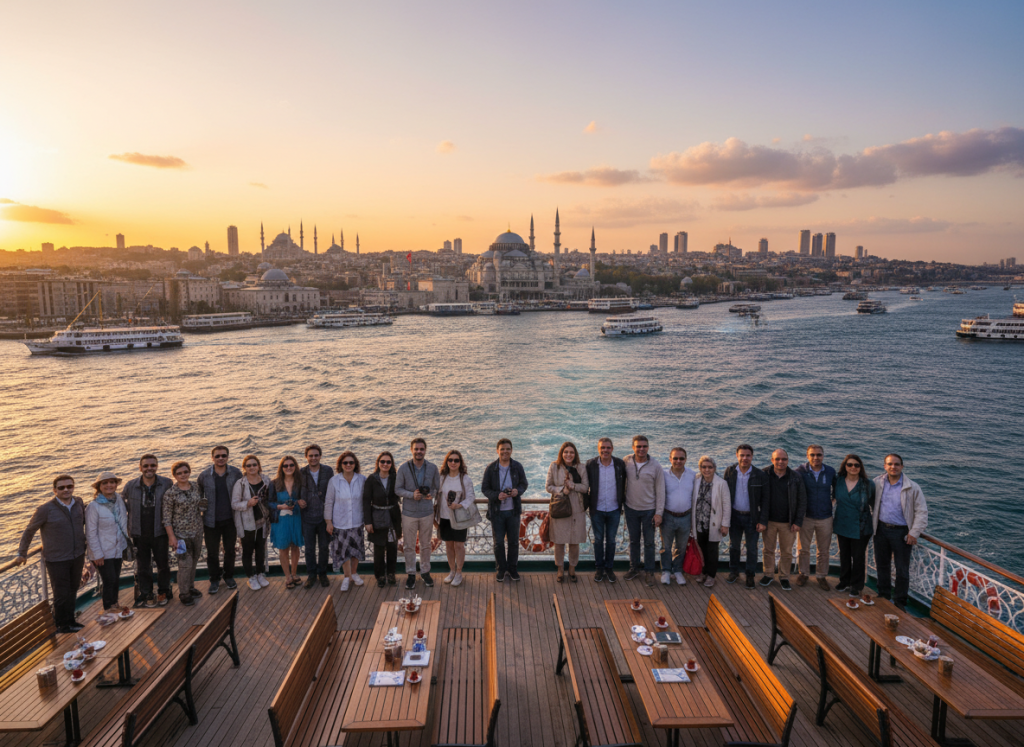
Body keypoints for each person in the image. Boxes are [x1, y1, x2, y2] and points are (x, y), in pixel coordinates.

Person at [15, 475, 88, 632]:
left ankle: (71, 620)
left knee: (73, 588)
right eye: (61, 487)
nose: (66, 490)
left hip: (77, 555)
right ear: (55, 490)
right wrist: (22, 553)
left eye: (69, 486)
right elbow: (30, 530)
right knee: (61, 593)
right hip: (57, 558)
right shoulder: (45, 509)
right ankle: (62, 625)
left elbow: (84, 522)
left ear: (73, 487)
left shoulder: (79, 503)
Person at [872, 453, 928, 611]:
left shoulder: (912, 487)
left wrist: (914, 533)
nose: (893, 467)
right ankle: (883, 595)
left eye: (896, 464)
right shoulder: (877, 483)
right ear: (885, 466)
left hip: (902, 532)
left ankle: (900, 601)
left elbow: (922, 512)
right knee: (882, 565)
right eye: (890, 464)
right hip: (881, 529)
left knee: (902, 568)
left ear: (902, 466)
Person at [121, 454, 173, 607]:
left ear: (156, 466)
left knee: (163, 564)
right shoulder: (130, 486)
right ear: (140, 467)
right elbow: (120, 506)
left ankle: (164, 591)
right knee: (143, 566)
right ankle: (146, 593)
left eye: (152, 465)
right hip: (139, 532)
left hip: (160, 531)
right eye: (146, 466)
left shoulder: (166, 483)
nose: (149, 468)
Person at [759, 449, 807, 591]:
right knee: (768, 550)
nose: (781, 462)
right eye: (778, 459)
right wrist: (760, 519)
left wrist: (798, 521)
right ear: (772, 460)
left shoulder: (796, 477)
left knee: (786, 551)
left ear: (788, 460)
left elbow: (802, 500)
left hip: (788, 522)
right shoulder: (764, 474)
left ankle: (784, 577)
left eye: (784, 459)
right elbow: (757, 497)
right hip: (768, 521)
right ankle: (768, 574)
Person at [395, 438, 440, 590]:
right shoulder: (403, 468)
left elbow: (436, 487)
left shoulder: (433, 468)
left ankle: (425, 572)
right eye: (416, 449)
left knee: (426, 545)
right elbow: (397, 489)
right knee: (408, 546)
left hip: (427, 512)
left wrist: (431, 495)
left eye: (421, 449)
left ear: (425, 450)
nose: (419, 451)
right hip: (408, 513)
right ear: (411, 450)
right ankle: (411, 574)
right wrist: (410, 495)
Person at [481, 438, 529, 583]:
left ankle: (512, 569)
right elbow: (484, 489)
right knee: (499, 543)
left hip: (513, 511)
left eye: (507, 449)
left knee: (514, 542)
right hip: (497, 512)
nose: (505, 451)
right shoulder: (491, 468)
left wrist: (517, 492)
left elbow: (524, 484)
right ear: (497, 451)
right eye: (502, 449)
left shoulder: (517, 467)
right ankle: (501, 569)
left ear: (511, 450)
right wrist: (497, 495)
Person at [197, 445, 242, 594]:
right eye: (217, 456)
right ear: (212, 458)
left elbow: (242, 492)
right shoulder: (204, 476)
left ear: (227, 457)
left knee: (230, 551)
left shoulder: (236, 473)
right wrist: (202, 512)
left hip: (230, 519)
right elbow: (200, 497)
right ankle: (214, 579)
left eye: (223, 455)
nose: (220, 458)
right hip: (211, 521)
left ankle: (229, 576)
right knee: (212, 552)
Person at [723, 444, 768, 590]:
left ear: (752, 457)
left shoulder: (759, 475)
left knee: (752, 548)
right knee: (734, 546)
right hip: (734, 516)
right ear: (737, 456)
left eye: (748, 455)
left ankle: (750, 575)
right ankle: (734, 571)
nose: (745, 458)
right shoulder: (730, 472)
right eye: (742, 455)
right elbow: (724, 495)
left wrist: (762, 521)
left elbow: (765, 500)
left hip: (752, 518)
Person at [163, 462, 208, 606]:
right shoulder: (170, 493)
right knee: (184, 563)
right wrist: (172, 537)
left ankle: (190, 587)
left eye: (185, 472)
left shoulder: (196, 487)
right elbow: (166, 518)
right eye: (179, 473)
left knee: (194, 560)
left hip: (196, 531)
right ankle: (184, 593)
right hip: (180, 535)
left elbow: (201, 505)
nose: (183, 475)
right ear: (174, 475)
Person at [623, 435, 665, 587]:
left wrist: (659, 513)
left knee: (649, 543)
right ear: (633, 447)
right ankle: (634, 568)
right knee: (633, 541)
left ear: (648, 447)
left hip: (649, 510)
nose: (641, 449)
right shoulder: (626, 461)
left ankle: (649, 572)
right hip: (630, 509)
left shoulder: (656, 466)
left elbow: (661, 491)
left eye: (644, 446)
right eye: (638, 446)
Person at [545, 442, 590, 583]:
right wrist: (561, 490)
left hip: (577, 508)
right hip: (560, 507)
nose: (568, 455)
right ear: (561, 453)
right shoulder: (554, 466)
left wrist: (573, 486)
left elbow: (585, 487)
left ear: (575, 454)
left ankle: (572, 568)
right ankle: (559, 569)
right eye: (566, 452)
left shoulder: (581, 467)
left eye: (571, 452)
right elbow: (548, 486)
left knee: (574, 541)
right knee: (559, 541)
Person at [85, 472, 129, 611]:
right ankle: (108, 608)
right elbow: (90, 532)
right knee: (109, 580)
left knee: (115, 579)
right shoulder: (93, 506)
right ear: (99, 487)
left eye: (112, 482)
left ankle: (115, 604)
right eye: (105, 483)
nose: (109, 485)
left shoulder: (119, 500)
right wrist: (97, 554)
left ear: (116, 484)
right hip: (103, 551)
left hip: (118, 547)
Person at [585, 437, 627, 583]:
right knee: (598, 540)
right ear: (598, 449)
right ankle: (599, 569)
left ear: (612, 449)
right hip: (597, 509)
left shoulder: (620, 464)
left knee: (611, 540)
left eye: (608, 448)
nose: (605, 450)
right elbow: (584, 485)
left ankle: (609, 569)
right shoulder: (591, 464)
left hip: (614, 509)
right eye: (602, 448)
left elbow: (627, 484)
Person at [834, 454, 875, 598]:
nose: (853, 467)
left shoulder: (868, 484)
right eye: (850, 464)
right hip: (842, 523)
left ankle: (856, 585)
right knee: (844, 555)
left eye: (856, 465)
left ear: (860, 467)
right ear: (844, 466)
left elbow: (875, 505)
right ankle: (844, 581)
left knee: (858, 557)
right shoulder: (838, 481)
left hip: (861, 526)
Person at [795, 445, 836, 589]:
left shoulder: (830, 471)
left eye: (819, 455)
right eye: (812, 455)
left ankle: (821, 576)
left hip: (825, 517)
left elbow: (836, 490)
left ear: (823, 456)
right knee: (803, 549)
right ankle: (804, 573)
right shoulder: (800, 471)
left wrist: (831, 503)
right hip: (806, 517)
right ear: (807, 456)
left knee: (823, 550)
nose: (816, 458)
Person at [325, 451, 366, 592]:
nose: (348, 465)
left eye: (351, 462)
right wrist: (328, 522)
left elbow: (366, 501)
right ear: (340, 465)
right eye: (345, 463)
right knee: (343, 552)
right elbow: (329, 502)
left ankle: (354, 573)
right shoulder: (334, 481)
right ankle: (347, 576)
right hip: (340, 522)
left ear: (355, 464)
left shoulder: (362, 479)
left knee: (355, 551)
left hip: (357, 521)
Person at [231, 454, 272, 591]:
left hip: (263, 521)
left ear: (259, 466)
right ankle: (251, 577)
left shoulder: (266, 480)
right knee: (248, 551)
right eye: (248, 465)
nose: (252, 467)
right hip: (247, 523)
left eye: (254, 464)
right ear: (244, 468)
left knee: (261, 549)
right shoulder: (240, 484)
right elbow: (234, 504)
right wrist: (248, 503)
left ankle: (260, 573)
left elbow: (271, 498)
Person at [437, 449, 476, 587]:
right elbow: (435, 493)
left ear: (460, 462)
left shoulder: (464, 478)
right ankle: (452, 571)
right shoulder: (442, 477)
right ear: (446, 462)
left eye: (456, 460)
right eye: (450, 460)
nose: (453, 462)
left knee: (459, 545)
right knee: (448, 545)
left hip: (459, 517)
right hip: (444, 516)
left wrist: (459, 505)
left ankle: (459, 572)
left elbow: (471, 496)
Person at [363, 452, 402, 587]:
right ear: (378, 463)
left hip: (393, 516)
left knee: (392, 547)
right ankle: (379, 575)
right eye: (382, 461)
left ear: (391, 464)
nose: (385, 464)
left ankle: (391, 573)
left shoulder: (396, 478)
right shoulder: (371, 479)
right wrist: (367, 521)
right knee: (379, 548)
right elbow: (366, 501)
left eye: (388, 462)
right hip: (377, 516)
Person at [299, 444, 334, 589]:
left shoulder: (328, 471)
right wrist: (298, 501)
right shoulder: (301, 472)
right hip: (307, 516)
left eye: (316, 455)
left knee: (324, 547)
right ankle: (311, 575)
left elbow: (332, 492)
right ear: (306, 457)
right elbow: (295, 490)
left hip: (324, 516)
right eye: (310, 456)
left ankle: (323, 574)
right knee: (309, 548)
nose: (313, 458)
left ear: (320, 456)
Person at [692, 456, 730, 587]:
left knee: (712, 551)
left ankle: (711, 575)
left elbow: (726, 505)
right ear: (700, 468)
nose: (706, 470)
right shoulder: (696, 480)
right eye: (704, 467)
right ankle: (703, 572)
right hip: (699, 522)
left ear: (714, 468)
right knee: (701, 550)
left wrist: (725, 524)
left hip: (714, 523)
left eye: (710, 467)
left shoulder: (721, 483)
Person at [660, 447, 695, 586]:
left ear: (686, 459)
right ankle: (666, 571)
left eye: (681, 458)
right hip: (668, 516)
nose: (678, 461)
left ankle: (678, 570)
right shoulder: (663, 475)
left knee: (681, 546)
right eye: (675, 458)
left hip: (686, 516)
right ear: (670, 459)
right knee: (666, 546)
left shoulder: (693, 475)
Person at [270, 456, 306, 589]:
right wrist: (281, 506)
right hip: (281, 520)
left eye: (291, 465)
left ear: (295, 467)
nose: (288, 467)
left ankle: (295, 573)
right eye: (285, 466)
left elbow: (302, 498)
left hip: (296, 518)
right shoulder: (274, 484)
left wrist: (300, 502)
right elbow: (269, 504)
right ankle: (288, 577)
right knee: (283, 548)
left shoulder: (299, 483)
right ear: (281, 468)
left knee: (295, 546)